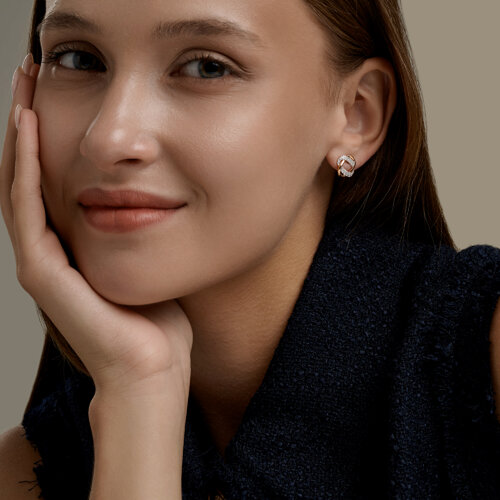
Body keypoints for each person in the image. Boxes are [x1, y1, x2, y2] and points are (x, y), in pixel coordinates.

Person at [0, 0, 499, 498]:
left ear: (357, 114)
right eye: (79, 59)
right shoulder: (23, 474)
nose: (109, 138)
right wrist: (139, 391)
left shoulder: (485, 359)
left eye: (207, 67)